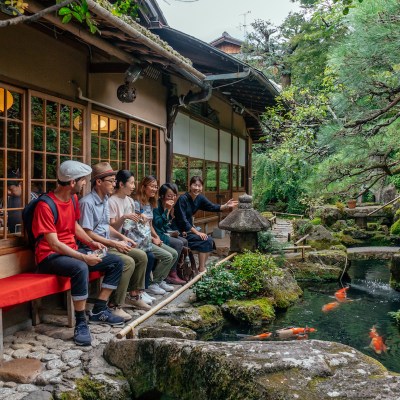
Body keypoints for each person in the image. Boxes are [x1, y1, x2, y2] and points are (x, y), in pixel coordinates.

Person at [33, 160, 125, 347]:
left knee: (115, 261)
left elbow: (74, 227)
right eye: (83, 180)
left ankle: (99, 310)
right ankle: (81, 322)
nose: (85, 184)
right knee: (80, 267)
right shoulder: (45, 205)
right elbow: (54, 244)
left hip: (71, 251)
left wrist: (92, 243)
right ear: (73, 182)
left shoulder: (73, 199)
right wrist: (83, 256)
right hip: (49, 257)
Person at [79, 162, 150, 321]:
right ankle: (114, 305)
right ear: (98, 182)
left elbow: (106, 226)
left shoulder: (104, 200)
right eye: (111, 181)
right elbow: (86, 233)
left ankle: (133, 295)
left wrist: (123, 238)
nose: (114, 184)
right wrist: (115, 243)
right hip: (93, 248)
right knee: (127, 262)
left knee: (141, 255)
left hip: (107, 244)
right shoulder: (87, 203)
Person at [108, 169, 155, 308]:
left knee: (143, 256)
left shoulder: (129, 200)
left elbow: (131, 221)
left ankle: (134, 295)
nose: (134, 186)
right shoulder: (112, 201)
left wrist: (140, 217)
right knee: (132, 261)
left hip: (127, 239)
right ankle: (116, 302)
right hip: (113, 241)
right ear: (121, 184)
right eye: (132, 183)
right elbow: (111, 226)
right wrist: (123, 217)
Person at [174, 176, 238, 272]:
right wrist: (197, 233)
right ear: (190, 186)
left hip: (189, 230)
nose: (197, 188)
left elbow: (212, 207)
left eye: (199, 186)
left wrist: (226, 206)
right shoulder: (182, 199)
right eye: (194, 185)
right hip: (179, 231)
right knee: (204, 239)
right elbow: (183, 220)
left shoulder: (199, 198)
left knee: (209, 240)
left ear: (202, 187)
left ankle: (201, 267)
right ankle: (201, 269)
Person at [135, 176, 178, 295]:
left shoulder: (149, 203)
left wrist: (155, 236)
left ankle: (159, 280)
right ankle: (152, 284)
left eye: (156, 187)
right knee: (168, 256)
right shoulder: (137, 203)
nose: (154, 189)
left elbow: (150, 224)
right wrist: (152, 238)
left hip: (151, 237)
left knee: (174, 253)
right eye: (152, 186)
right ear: (143, 187)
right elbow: (137, 227)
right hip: (140, 240)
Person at [153, 183, 187, 285]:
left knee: (184, 241)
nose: (172, 198)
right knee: (178, 243)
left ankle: (178, 270)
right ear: (162, 196)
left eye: (174, 195)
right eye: (169, 196)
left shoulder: (170, 205)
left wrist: (172, 232)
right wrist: (167, 210)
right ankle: (170, 274)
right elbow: (157, 223)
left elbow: (166, 224)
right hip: (157, 234)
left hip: (163, 232)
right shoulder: (157, 205)